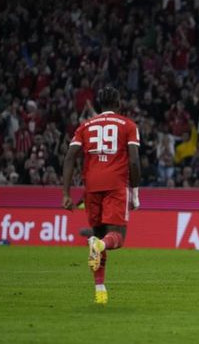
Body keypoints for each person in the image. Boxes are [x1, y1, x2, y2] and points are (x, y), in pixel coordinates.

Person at [62, 86, 141, 305]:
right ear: (118, 103)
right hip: (116, 184)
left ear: (99, 104)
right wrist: (134, 192)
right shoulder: (128, 125)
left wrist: (66, 194)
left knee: (98, 235)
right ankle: (98, 246)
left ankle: (100, 291)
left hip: (91, 186)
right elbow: (134, 161)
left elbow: (69, 158)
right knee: (116, 238)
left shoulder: (85, 126)